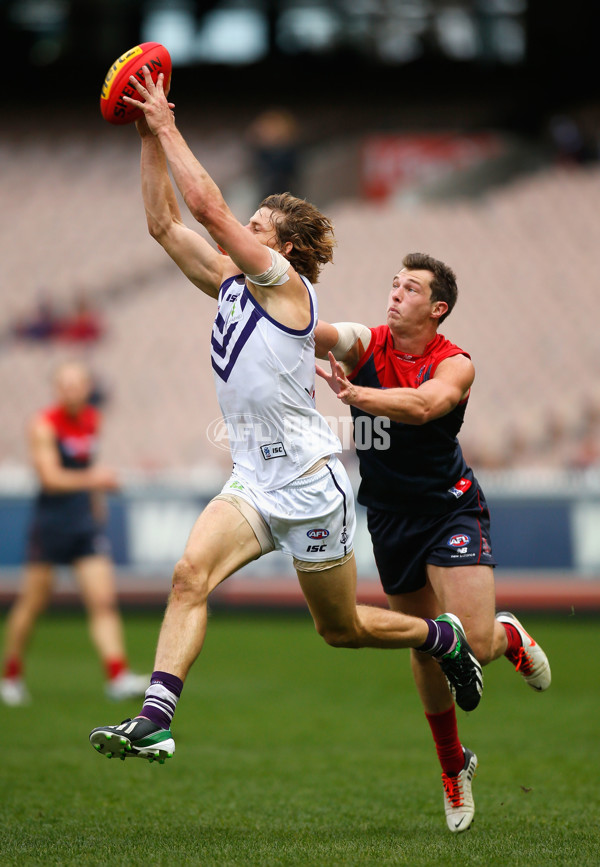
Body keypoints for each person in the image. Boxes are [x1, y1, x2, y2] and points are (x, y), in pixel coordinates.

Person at [88, 69, 483, 764]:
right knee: (189, 576)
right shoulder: (230, 283)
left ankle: (439, 637)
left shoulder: (286, 286)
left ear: (284, 248)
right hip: (254, 477)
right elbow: (163, 223)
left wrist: (168, 121)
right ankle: (156, 716)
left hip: (309, 479)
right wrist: (148, 134)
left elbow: (207, 209)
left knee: (339, 630)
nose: (244, 230)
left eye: (258, 227)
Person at [314, 252, 551, 833]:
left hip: (450, 510)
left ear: (437, 308)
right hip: (391, 519)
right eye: (394, 284)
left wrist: (356, 399)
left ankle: (508, 635)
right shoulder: (365, 344)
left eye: (410, 288)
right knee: (426, 646)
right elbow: (318, 332)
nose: (395, 294)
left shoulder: (455, 363)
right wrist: (262, 296)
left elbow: (425, 406)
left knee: (471, 641)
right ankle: (453, 767)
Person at [0, 360, 148, 706]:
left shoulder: (92, 420)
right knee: (33, 603)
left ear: (87, 387)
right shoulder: (44, 425)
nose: (72, 389)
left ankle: (116, 676)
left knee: (103, 601)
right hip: (51, 524)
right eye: (65, 384)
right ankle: (11, 675)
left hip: (83, 525)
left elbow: (85, 467)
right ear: (56, 389)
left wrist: (95, 505)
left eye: (77, 383)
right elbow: (50, 478)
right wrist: (96, 480)